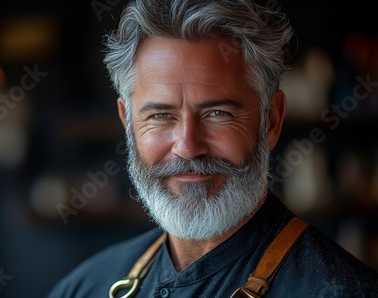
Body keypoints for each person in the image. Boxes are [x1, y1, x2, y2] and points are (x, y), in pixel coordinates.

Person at [48, 0, 378, 297]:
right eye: (161, 116)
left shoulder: (343, 291)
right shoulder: (85, 287)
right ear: (128, 123)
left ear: (271, 121)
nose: (188, 147)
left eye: (217, 114)